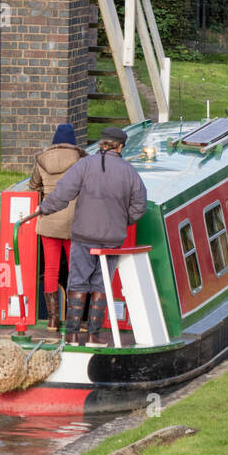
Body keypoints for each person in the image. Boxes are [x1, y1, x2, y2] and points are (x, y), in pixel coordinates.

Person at [33, 126, 148, 347]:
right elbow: (139, 207)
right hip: (112, 238)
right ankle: (94, 335)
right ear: (121, 147)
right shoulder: (129, 172)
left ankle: (73, 335)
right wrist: (122, 221)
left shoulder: (84, 166)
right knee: (101, 284)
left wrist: (44, 208)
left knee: (77, 281)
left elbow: (63, 193)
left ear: (102, 144)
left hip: (83, 236)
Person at [27, 123, 84, 331]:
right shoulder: (80, 159)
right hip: (73, 222)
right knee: (75, 269)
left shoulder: (42, 160)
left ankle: (52, 320)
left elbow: (33, 185)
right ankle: (74, 319)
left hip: (48, 218)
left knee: (50, 269)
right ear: (73, 142)